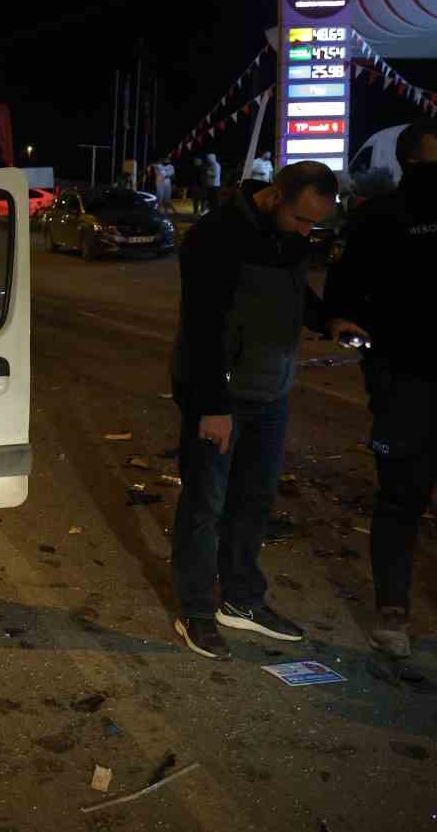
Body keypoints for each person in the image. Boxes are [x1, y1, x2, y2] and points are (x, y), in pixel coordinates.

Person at [169, 161, 339, 659]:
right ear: (275, 197)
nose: (308, 232)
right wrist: (212, 408)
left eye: (317, 224)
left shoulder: (291, 235)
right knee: (206, 504)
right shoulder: (216, 235)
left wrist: (328, 320)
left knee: (254, 500)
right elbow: (202, 327)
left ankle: (241, 601)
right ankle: (196, 611)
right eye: (303, 220)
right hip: (220, 397)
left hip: (271, 392)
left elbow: (293, 293)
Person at [324, 121, 437, 659]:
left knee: (402, 500)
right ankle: (393, 611)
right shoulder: (379, 220)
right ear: (413, 162)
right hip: (403, 386)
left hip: (399, 383)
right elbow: (341, 300)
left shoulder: (376, 218)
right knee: (401, 499)